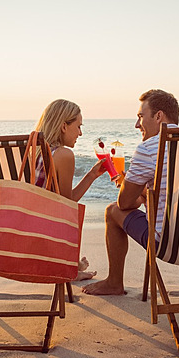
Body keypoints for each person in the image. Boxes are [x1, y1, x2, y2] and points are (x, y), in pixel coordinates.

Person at [82, 89, 179, 295]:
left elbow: (125, 204)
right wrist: (145, 190)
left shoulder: (148, 149)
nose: (137, 125)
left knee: (112, 212)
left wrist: (130, 186)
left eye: (140, 117)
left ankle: (114, 283)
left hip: (171, 244)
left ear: (158, 116)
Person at [34, 99, 106, 280]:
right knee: (66, 211)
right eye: (79, 126)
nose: (80, 133)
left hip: (23, 231)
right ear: (64, 126)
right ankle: (67, 265)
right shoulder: (63, 154)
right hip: (44, 236)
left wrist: (91, 174)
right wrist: (90, 177)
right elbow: (67, 205)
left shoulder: (32, 152)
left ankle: (70, 263)